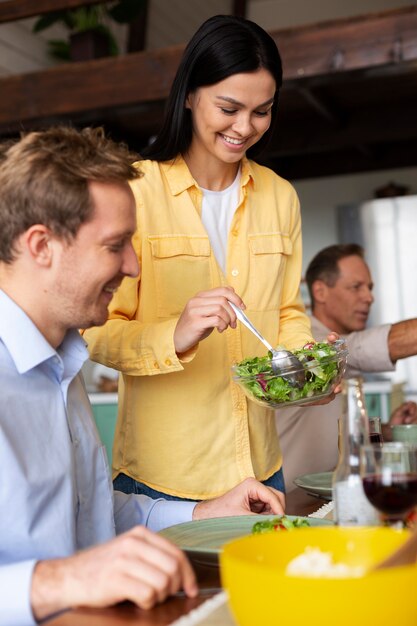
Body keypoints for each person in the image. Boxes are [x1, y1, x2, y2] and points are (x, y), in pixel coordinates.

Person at [0, 126, 287, 625]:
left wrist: (202, 513)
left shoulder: (61, 361)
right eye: (115, 246)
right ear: (42, 245)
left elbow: (89, 512)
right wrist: (64, 580)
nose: (134, 267)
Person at [82, 14, 327, 502]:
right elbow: (93, 329)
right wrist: (174, 334)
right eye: (229, 107)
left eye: (262, 111)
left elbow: (287, 311)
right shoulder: (134, 191)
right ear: (190, 95)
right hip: (164, 479)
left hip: (261, 468)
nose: (245, 127)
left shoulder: (280, 197)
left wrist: (304, 365)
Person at [277, 243, 417, 490]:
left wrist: (386, 428)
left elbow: (336, 430)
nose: (369, 297)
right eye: (356, 287)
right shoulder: (305, 344)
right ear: (320, 291)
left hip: (329, 495)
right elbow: (371, 346)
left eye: (370, 288)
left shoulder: (339, 342)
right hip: (291, 501)